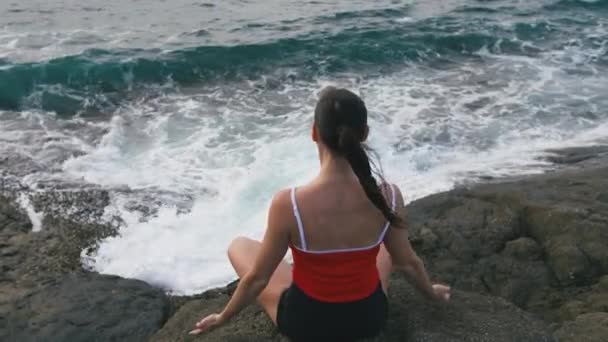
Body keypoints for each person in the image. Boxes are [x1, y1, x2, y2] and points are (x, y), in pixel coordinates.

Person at [189, 87, 450, 341]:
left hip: (306, 323)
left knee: (240, 246)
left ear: (314, 133)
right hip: (368, 319)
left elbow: (258, 279)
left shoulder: (288, 203)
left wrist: (223, 317)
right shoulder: (388, 196)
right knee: (386, 249)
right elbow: (408, 263)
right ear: (365, 133)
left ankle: (315, 278)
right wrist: (431, 293)